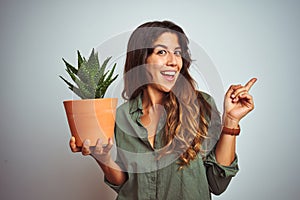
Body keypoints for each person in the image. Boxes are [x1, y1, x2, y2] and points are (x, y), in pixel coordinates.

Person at [69, 20, 257, 200]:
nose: (174, 61)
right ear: (142, 59)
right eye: (162, 52)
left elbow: (218, 184)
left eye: (177, 52)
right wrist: (102, 157)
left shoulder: (200, 106)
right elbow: (127, 184)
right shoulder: (122, 116)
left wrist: (231, 121)